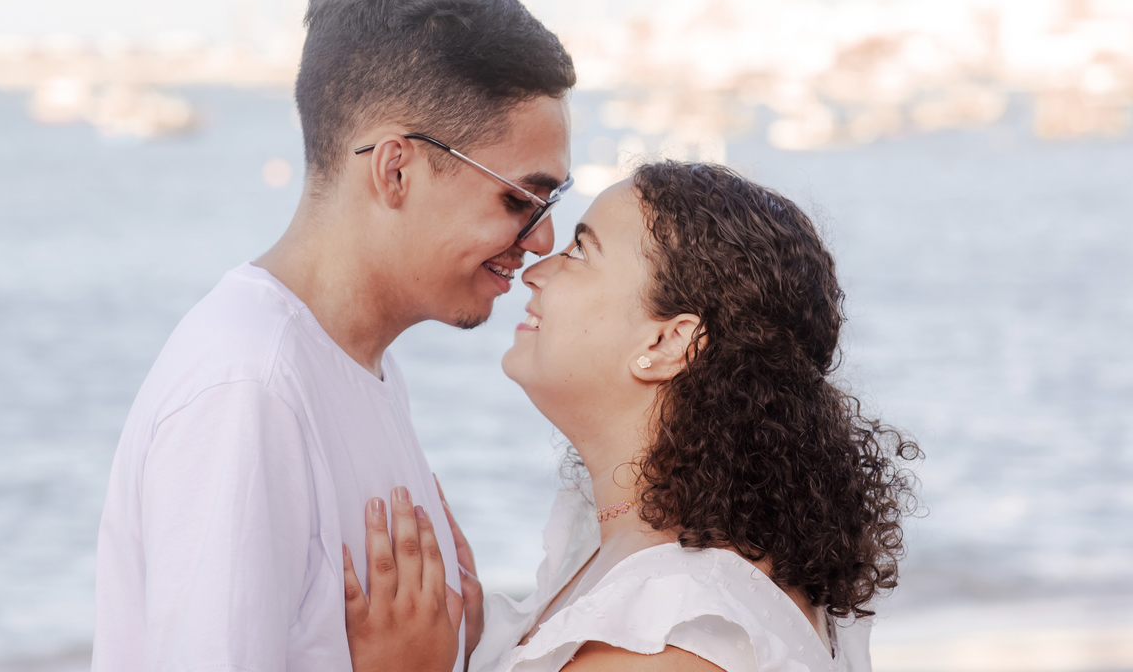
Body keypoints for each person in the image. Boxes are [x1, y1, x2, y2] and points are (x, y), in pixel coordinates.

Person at [91, 0, 576, 672]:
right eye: (519, 200)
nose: (542, 239)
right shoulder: (248, 391)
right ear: (395, 170)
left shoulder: (354, 364)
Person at [345, 161, 920, 672]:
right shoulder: (633, 541)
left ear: (669, 342)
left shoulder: (664, 642)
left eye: (580, 251)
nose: (535, 271)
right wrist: (480, 643)